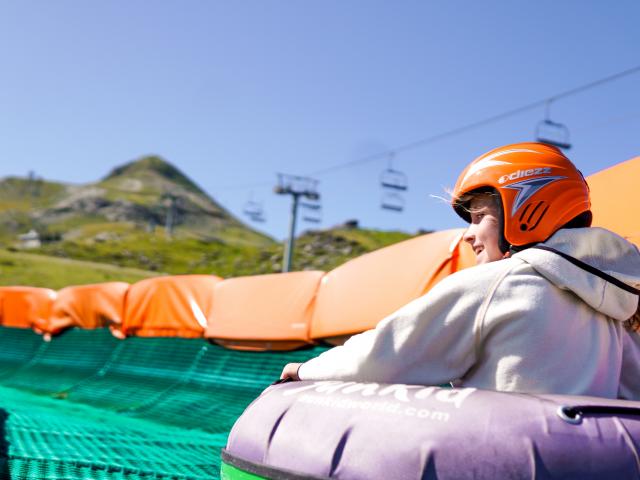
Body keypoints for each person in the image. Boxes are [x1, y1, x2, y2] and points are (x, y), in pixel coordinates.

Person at [280, 142, 640, 400]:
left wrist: (309, 370)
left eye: (480, 216)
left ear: (527, 211)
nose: (469, 234)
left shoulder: (501, 283)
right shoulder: (616, 306)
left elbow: (388, 353)